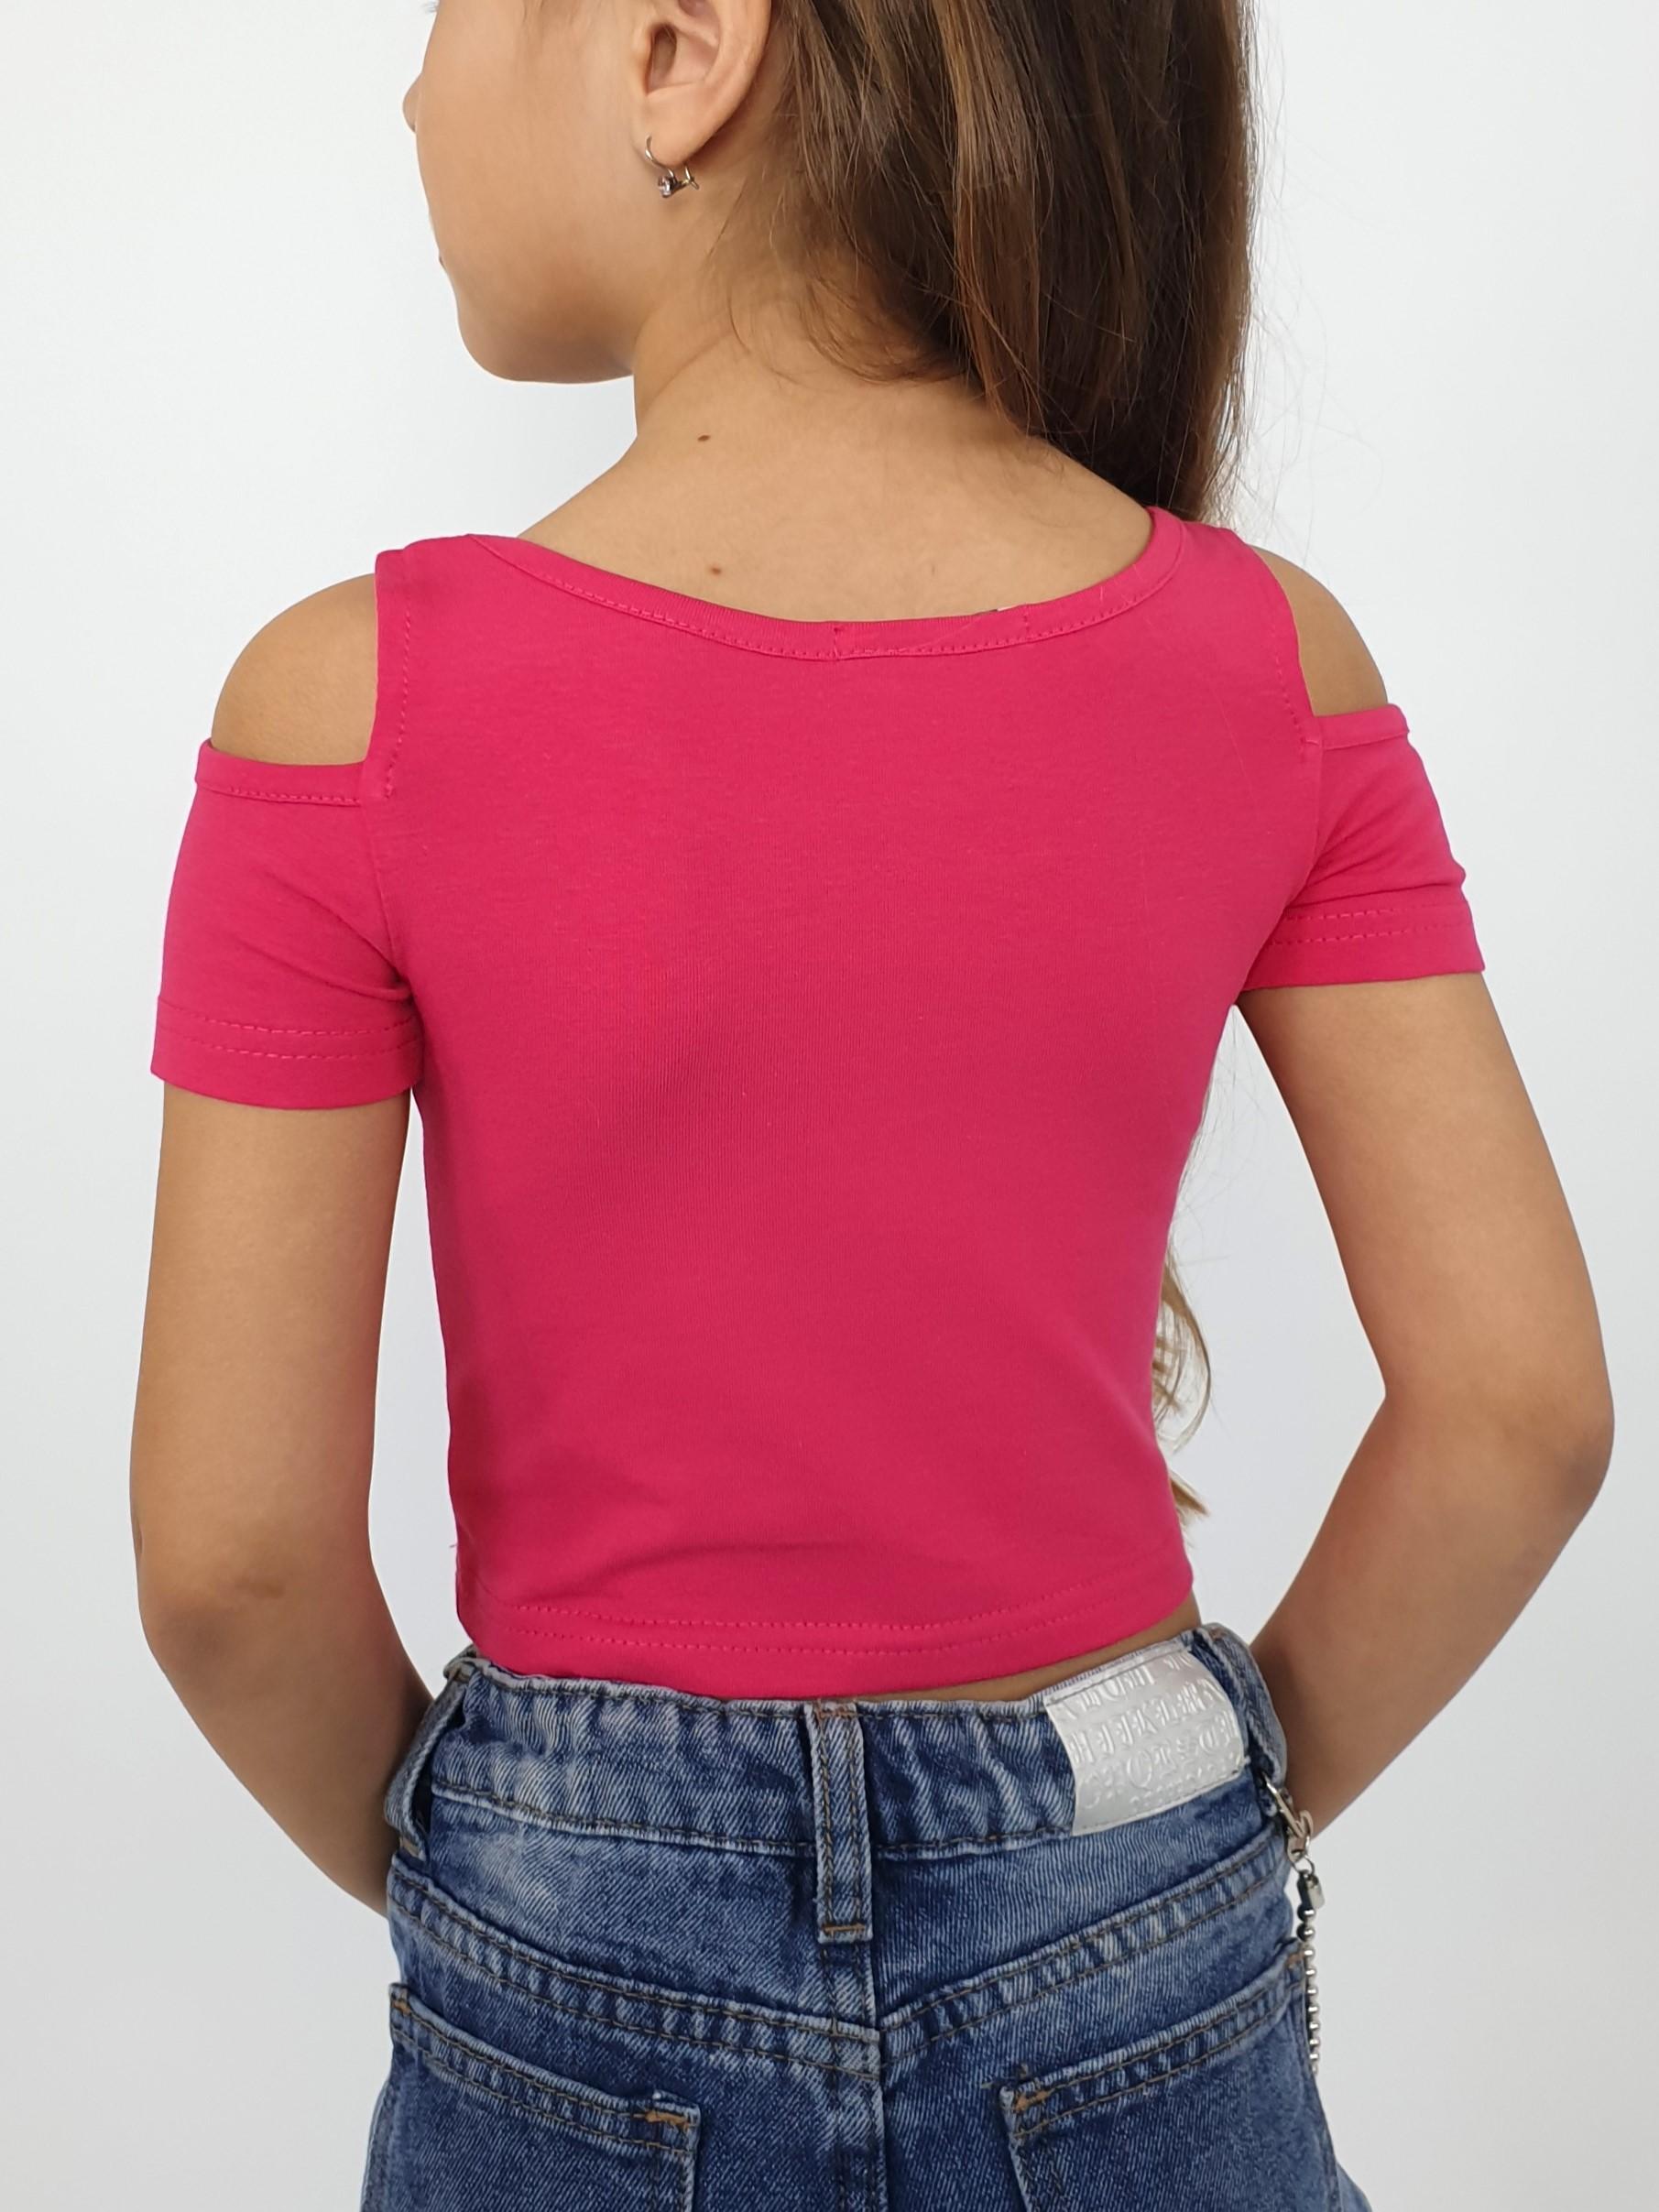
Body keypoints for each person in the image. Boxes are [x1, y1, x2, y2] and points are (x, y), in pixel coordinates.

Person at [129, 1, 1614, 2204]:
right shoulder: (1270, 661)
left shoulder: (351, 701)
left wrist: (537, 1861)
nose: (415, 84)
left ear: (680, 50)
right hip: (1127, 1863)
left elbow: (231, 1567)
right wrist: (1201, 1814)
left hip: (576, 1920)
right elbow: (1519, 1408)